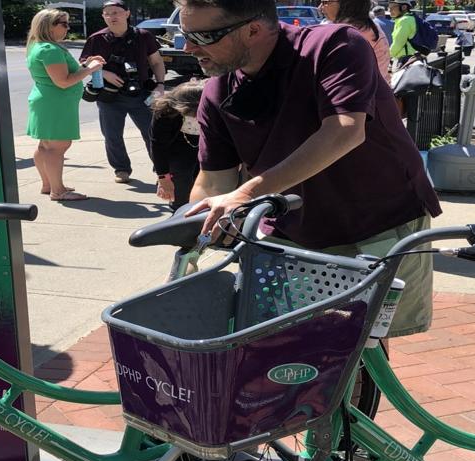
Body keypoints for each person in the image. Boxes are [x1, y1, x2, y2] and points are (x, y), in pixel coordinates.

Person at [181, 0, 441, 337]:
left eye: (201, 36)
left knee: (366, 341)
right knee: (291, 338)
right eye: (186, 35)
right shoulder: (218, 91)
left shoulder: (334, 45)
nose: (188, 48)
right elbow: (214, 180)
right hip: (296, 230)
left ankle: (366, 387)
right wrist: (190, 230)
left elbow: (345, 130)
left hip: (378, 221)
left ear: (253, 30)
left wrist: (245, 194)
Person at [80, 0, 166, 183]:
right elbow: (84, 63)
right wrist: (104, 72)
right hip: (109, 96)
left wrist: (160, 84)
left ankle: (161, 171)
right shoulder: (96, 39)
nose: (112, 16)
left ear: (127, 14)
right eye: (108, 13)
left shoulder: (144, 36)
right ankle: (121, 169)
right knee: (112, 136)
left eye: (116, 12)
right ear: (103, 16)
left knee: (153, 135)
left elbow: (157, 62)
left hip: (142, 94)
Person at [25, 8, 105, 201]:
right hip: (55, 104)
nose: (68, 28)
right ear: (49, 26)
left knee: (45, 146)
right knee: (57, 147)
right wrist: (90, 69)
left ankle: (49, 185)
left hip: (48, 102)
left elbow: (64, 76)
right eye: (64, 24)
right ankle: (58, 191)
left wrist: (86, 66)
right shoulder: (49, 49)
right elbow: (63, 81)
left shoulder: (41, 46)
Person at [149, 78, 202, 211]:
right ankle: (179, 215)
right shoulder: (165, 112)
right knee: (180, 192)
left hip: (206, 149)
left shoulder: (214, 107)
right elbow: (158, 146)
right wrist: (163, 177)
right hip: (177, 150)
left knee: (205, 191)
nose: (197, 117)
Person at [319, 0, 389, 78]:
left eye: (325, 2)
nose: (320, 8)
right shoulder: (368, 27)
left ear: (346, 4)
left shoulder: (349, 34)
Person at [384, 0, 418, 70]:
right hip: (414, 58)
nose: (390, 10)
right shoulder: (411, 18)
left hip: (406, 61)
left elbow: (398, 44)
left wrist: (386, 56)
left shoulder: (404, 21)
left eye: (392, 7)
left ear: (404, 7)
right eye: (388, 8)